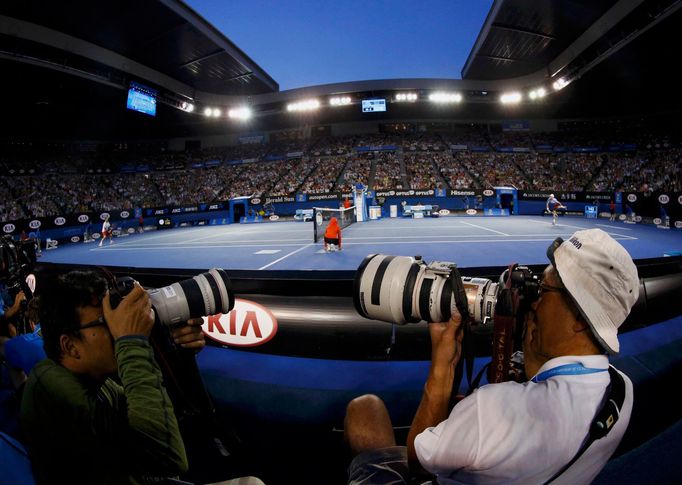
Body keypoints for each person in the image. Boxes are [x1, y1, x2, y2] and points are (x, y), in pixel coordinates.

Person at [345, 228, 638, 484]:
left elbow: (419, 461)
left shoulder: (492, 411)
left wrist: (442, 368)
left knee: (364, 409)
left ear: (581, 319)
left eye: (544, 290)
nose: (532, 301)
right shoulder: (621, 391)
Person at [20, 269, 206, 484]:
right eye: (105, 321)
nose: (117, 328)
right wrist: (131, 341)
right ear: (70, 346)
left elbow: (161, 413)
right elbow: (168, 456)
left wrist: (175, 351)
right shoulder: (50, 387)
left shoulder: (96, 377)